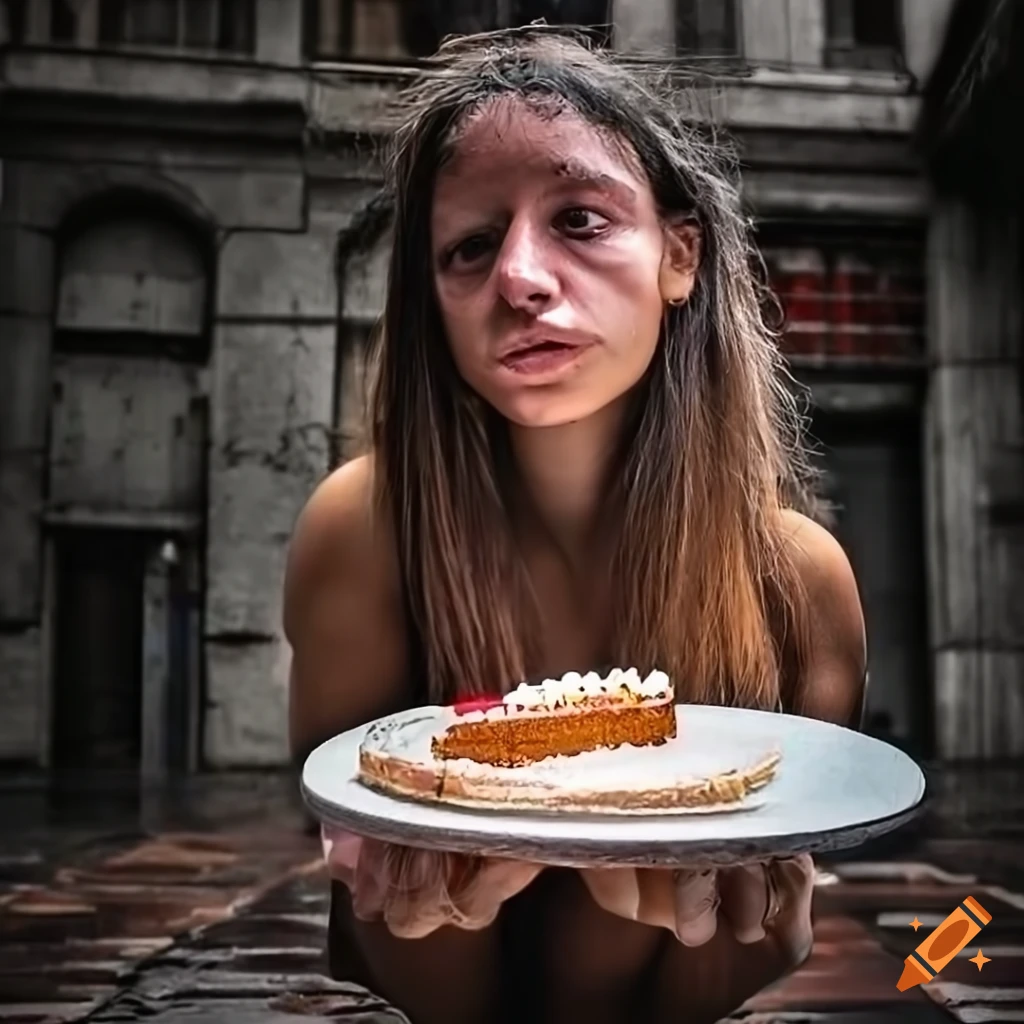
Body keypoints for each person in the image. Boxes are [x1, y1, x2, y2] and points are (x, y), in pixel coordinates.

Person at [284, 26, 867, 1024]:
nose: (519, 277)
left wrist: (759, 924)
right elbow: (363, 910)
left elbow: (779, 931)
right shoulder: (362, 532)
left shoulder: (799, 584)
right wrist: (401, 890)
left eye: (581, 220)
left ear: (680, 255)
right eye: (469, 245)